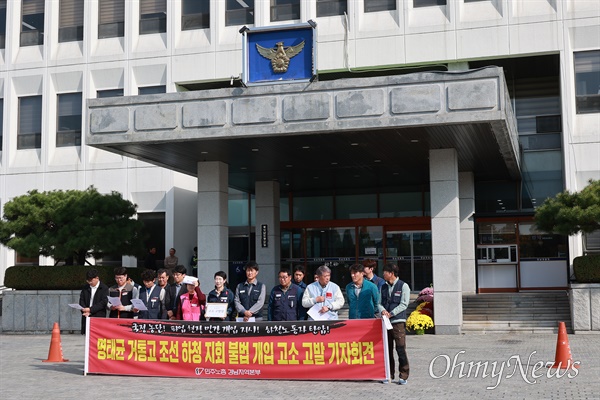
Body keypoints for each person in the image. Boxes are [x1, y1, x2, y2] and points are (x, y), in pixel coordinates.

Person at [378, 262, 411, 385]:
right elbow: (379, 302)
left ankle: (403, 375)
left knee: (400, 348)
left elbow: (404, 304)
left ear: (391, 273)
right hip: (386, 323)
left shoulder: (403, 286)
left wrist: (391, 313)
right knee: (387, 350)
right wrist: (383, 311)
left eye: (385, 272)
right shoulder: (383, 287)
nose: (383, 274)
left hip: (398, 322)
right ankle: (388, 374)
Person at [78, 268, 109, 334]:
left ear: (97, 278)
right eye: (88, 280)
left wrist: (90, 310)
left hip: (98, 317)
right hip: (86, 316)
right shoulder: (85, 288)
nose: (89, 282)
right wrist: (84, 310)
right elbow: (81, 300)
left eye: (91, 280)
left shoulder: (104, 288)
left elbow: (103, 303)